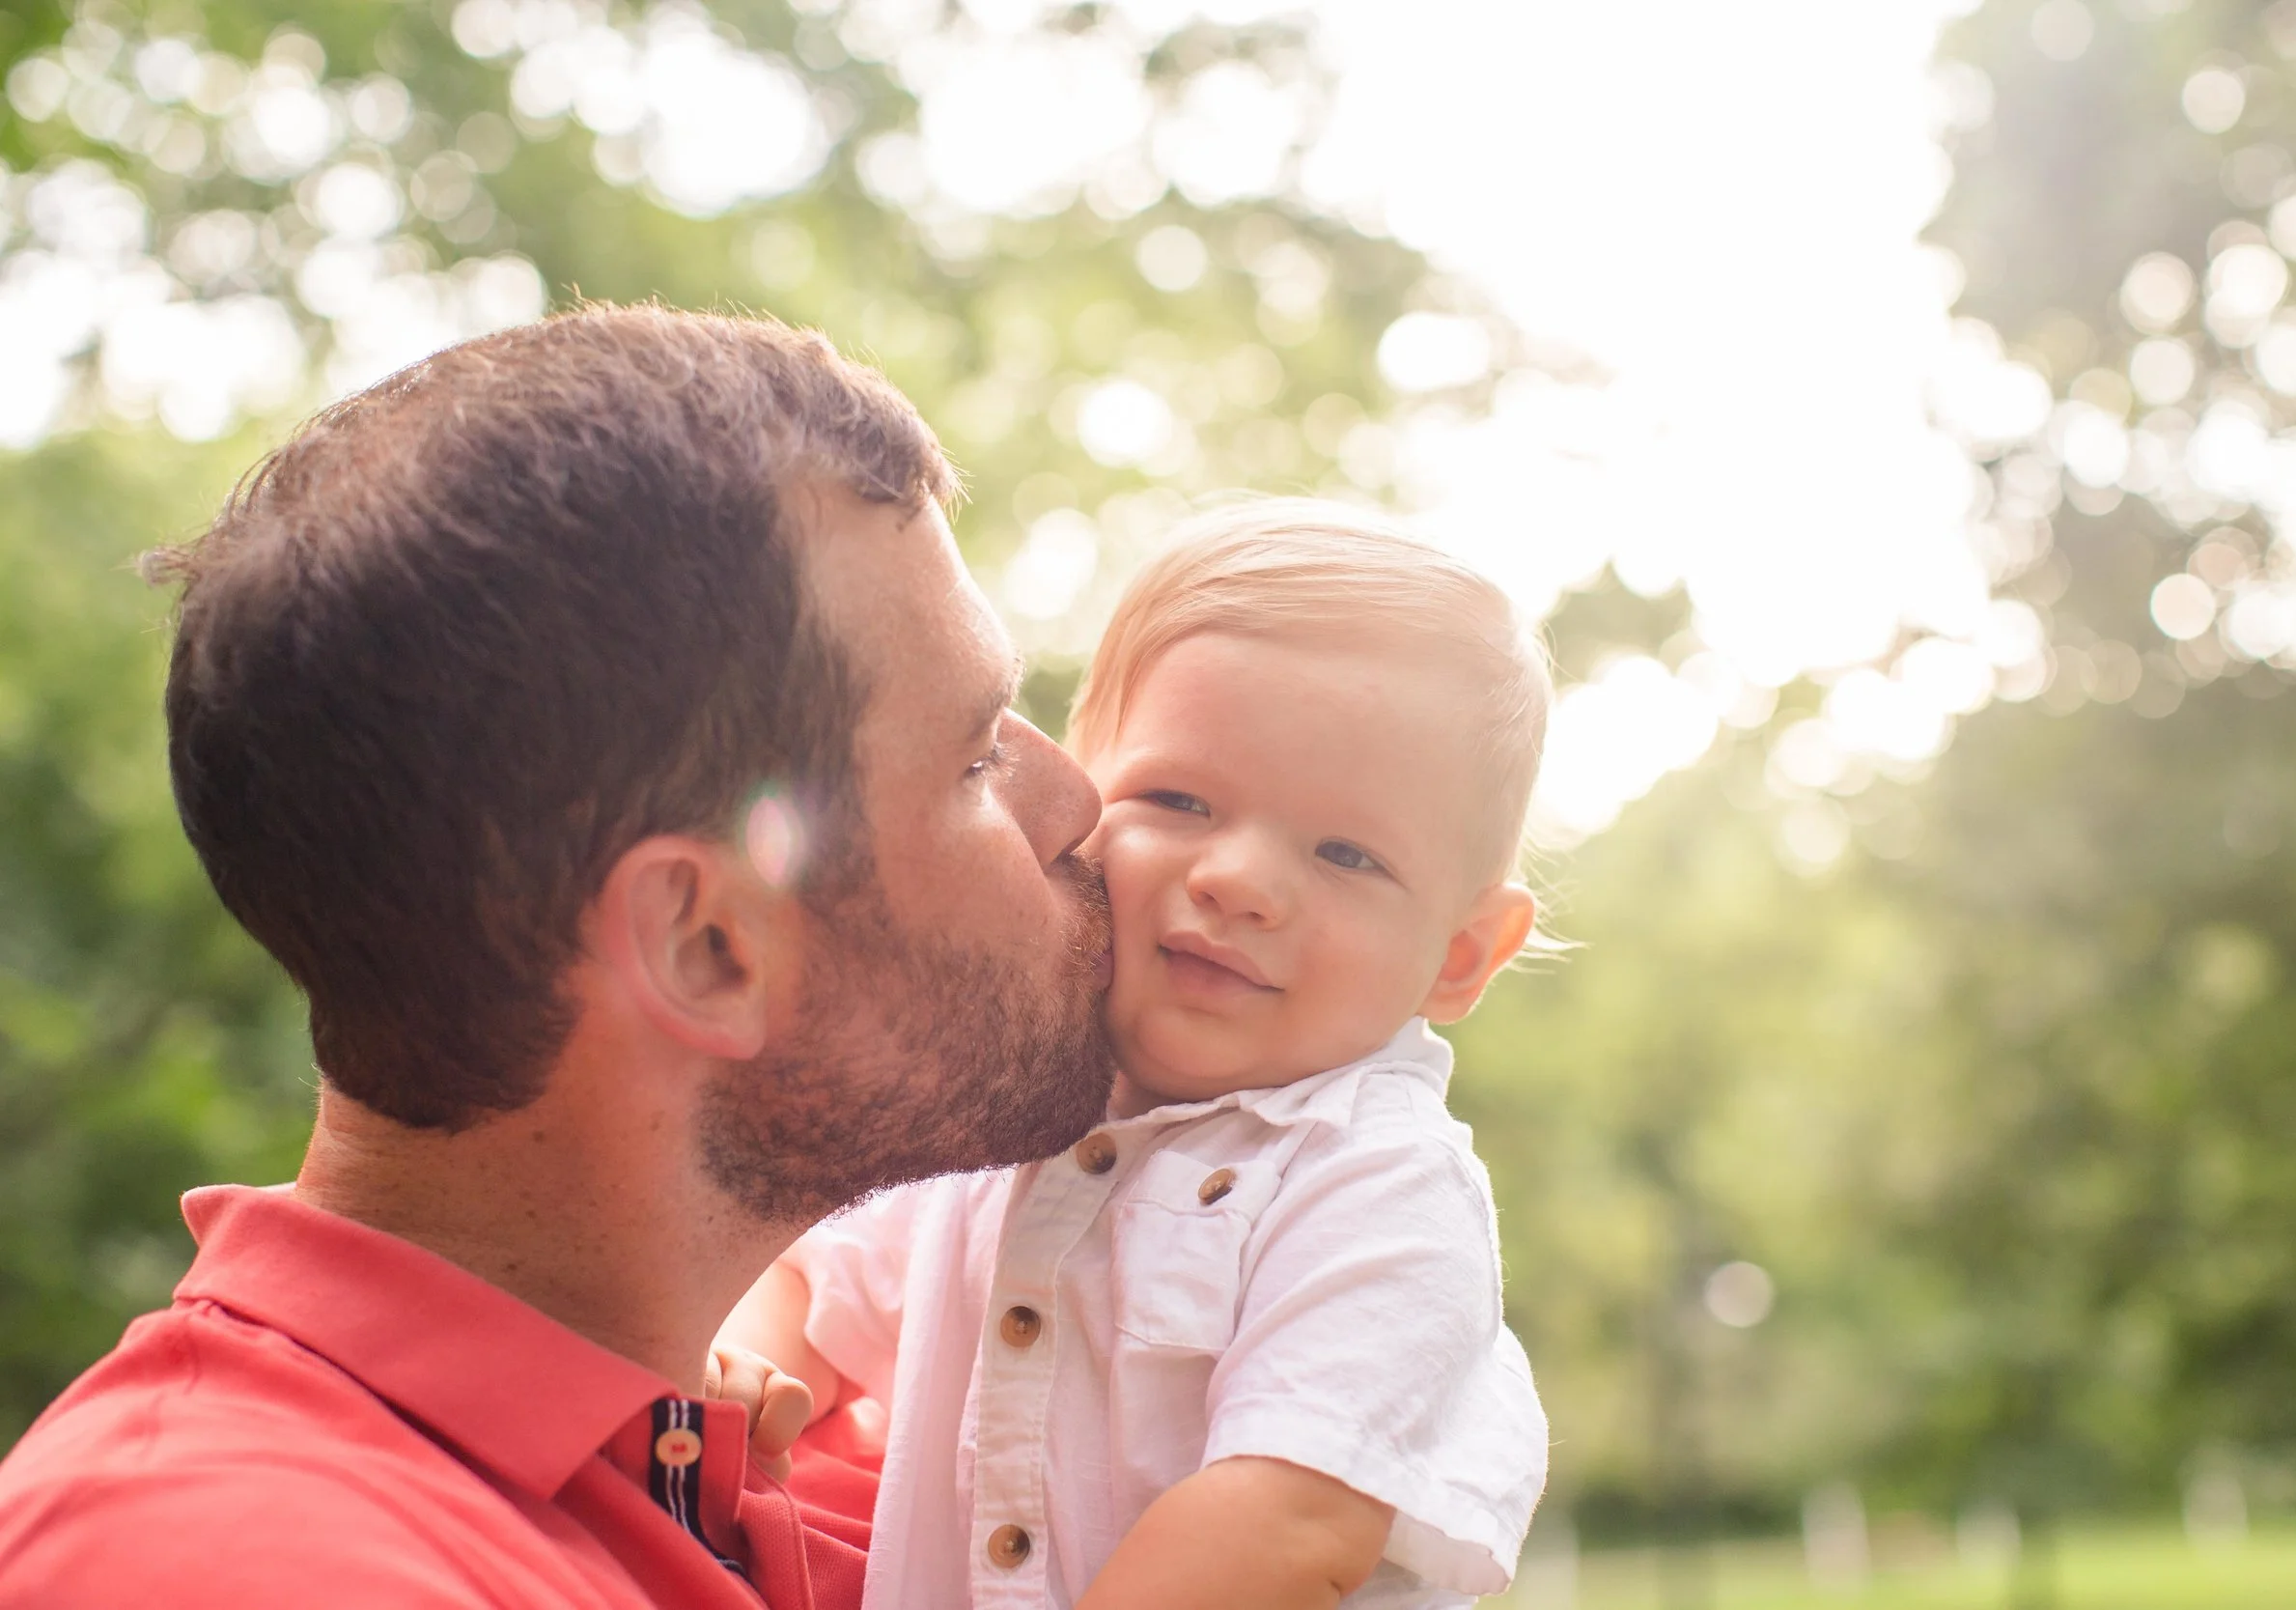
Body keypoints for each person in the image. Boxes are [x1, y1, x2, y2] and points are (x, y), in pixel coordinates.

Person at [0, 305, 1118, 1608]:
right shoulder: (227, 1561)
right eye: (978, 755)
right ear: (705, 946)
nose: (1078, 803)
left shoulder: (826, 1473)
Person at [720, 502, 1554, 1610]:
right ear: (1077, 805)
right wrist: (742, 1369)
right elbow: (813, 1281)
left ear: (1458, 954)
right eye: (1179, 798)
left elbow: (1287, 1522)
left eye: (1346, 852)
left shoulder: (1378, 1182)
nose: (1239, 879)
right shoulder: (1003, 1124)